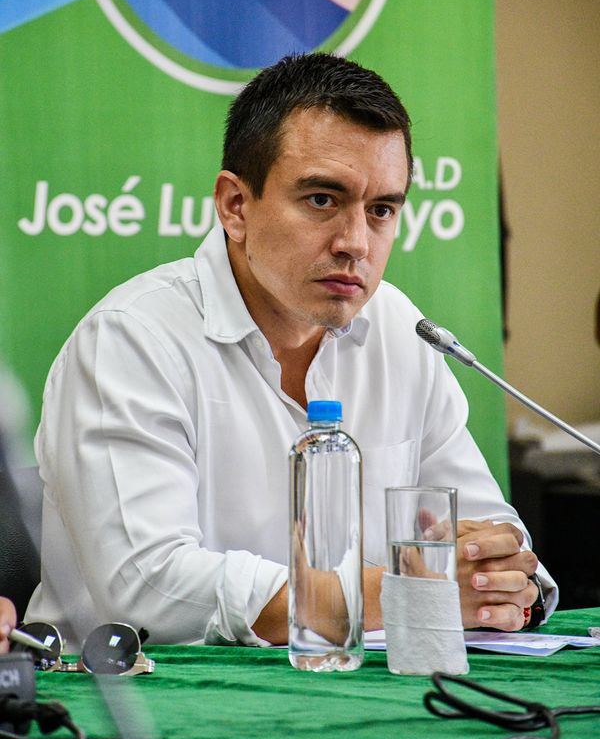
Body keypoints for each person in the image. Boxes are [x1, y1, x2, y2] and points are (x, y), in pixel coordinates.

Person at [27, 53, 557, 648]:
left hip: (359, 684)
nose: (356, 243)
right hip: (134, 696)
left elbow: (490, 535)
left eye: (381, 210)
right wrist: (409, 590)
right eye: (322, 200)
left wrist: (505, 582)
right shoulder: (130, 340)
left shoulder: (400, 330)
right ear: (235, 206)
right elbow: (151, 588)